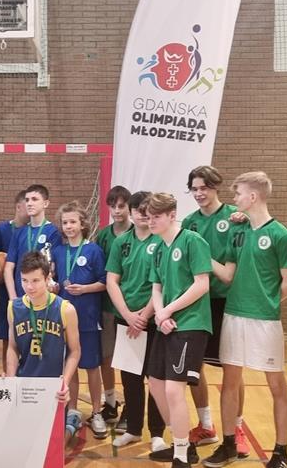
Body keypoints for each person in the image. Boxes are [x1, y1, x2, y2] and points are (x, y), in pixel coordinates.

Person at [203, 172, 287, 468]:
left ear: (253, 197)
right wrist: (201, 254)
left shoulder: (281, 235)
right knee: (229, 382)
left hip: (265, 322)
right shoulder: (237, 231)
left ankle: (280, 452)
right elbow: (227, 275)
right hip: (233, 316)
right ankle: (229, 444)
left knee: (276, 384)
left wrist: (266, 304)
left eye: (239, 194)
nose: (235, 199)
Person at [182, 166, 248, 457]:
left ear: (216, 187)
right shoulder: (189, 222)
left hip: (228, 302)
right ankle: (206, 425)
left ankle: (237, 429)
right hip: (198, 303)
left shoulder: (235, 216)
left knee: (232, 370)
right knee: (195, 367)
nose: (199, 193)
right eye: (194, 189)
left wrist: (247, 217)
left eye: (204, 188)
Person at [145, 193, 212, 468]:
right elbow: (156, 287)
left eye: (156, 217)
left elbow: (202, 284)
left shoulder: (192, 241)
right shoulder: (159, 248)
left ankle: (182, 457)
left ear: (172, 215)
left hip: (192, 324)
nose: (151, 222)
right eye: (148, 217)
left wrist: (167, 311)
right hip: (167, 324)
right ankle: (182, 444)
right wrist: (161, 314)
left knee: (174, 390)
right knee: (155, 383)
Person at [105, 191, 167, 451]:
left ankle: (157, 433)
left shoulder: (162, 241)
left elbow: (164, 282)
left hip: (154, 320)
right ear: (130, 213)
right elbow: (112, 280)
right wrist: (128, 314)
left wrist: (145, 314)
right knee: (130, 378)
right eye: (137, 210)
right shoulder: (121, 243)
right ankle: (133, 429)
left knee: (156, 378)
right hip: (126, 319)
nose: (142, 214)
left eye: (146, 210)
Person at [4, 251, 79, 439]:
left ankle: (71, 425)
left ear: (47, 278)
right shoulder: (13, 308)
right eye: (24, 280)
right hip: (25, 386)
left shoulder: (65, 309)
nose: (29, 287)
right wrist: (11, 378)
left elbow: (75, 351)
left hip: (53, 388)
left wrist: (65, 382)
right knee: (23, 441)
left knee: (53, 446)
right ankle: (71, 424)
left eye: (35, 280)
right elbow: (12, 347)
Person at [51, 202, 107, 439]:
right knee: (70, 366)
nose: (69, 226)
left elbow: (104, 282)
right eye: (65, 223)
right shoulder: (58, 251)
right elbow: (53, 279)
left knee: (92, 366)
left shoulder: (93, 250)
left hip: (88, 317)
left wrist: (84, 289)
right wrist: (53, 286)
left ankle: (96, 412)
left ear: (82, 224)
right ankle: (72, 410)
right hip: (64, 319)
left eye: (73, 222)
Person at [93, 185, 132, 427]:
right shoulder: (104, 236)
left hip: (131, 308)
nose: (117, 211)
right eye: (113, 206)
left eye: (121, 206)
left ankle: (131, 407)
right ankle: (110, 403)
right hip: (108, 305)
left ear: (129, 207)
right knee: (106, 356)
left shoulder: (139, 233)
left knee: (129, 362)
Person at [0, 190, 28, 371]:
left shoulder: (33, 230)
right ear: (18, 206)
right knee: (7, 336)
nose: (31, 208)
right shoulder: (2, 229)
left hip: (28, 288)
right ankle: (8, 373)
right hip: (7, 292)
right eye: (27, 204)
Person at [3, 184, 62, 301]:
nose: (29, 203)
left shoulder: (53, 232)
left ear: (45, 203)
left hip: (43, 297)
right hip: (21, 297)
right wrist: (13, 298)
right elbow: (8, 268)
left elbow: (53, 267)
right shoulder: (19, 232)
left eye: (34, 199)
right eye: (27, 200)